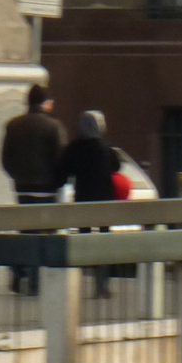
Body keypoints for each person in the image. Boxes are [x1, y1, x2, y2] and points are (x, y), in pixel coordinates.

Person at [0, 83, 67, 295]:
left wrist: (18, 176)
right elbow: (60, 159)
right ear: (45, 103)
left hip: (22, 188)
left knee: (25, 232)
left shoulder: (13, 125)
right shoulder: (53, 127)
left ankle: (19, 271)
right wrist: (58, 181)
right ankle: (36, 283)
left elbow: (5, 159)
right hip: (46, 189)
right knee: (43, 237)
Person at [59, 110, 120, 297]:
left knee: (83, 242)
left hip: (83, 199)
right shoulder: (105, 148)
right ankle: (102, 285)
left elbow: (64, 169)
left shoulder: (75, 148)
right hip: (104, 200)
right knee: (104, 242)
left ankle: (77, 285)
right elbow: (117, 166)